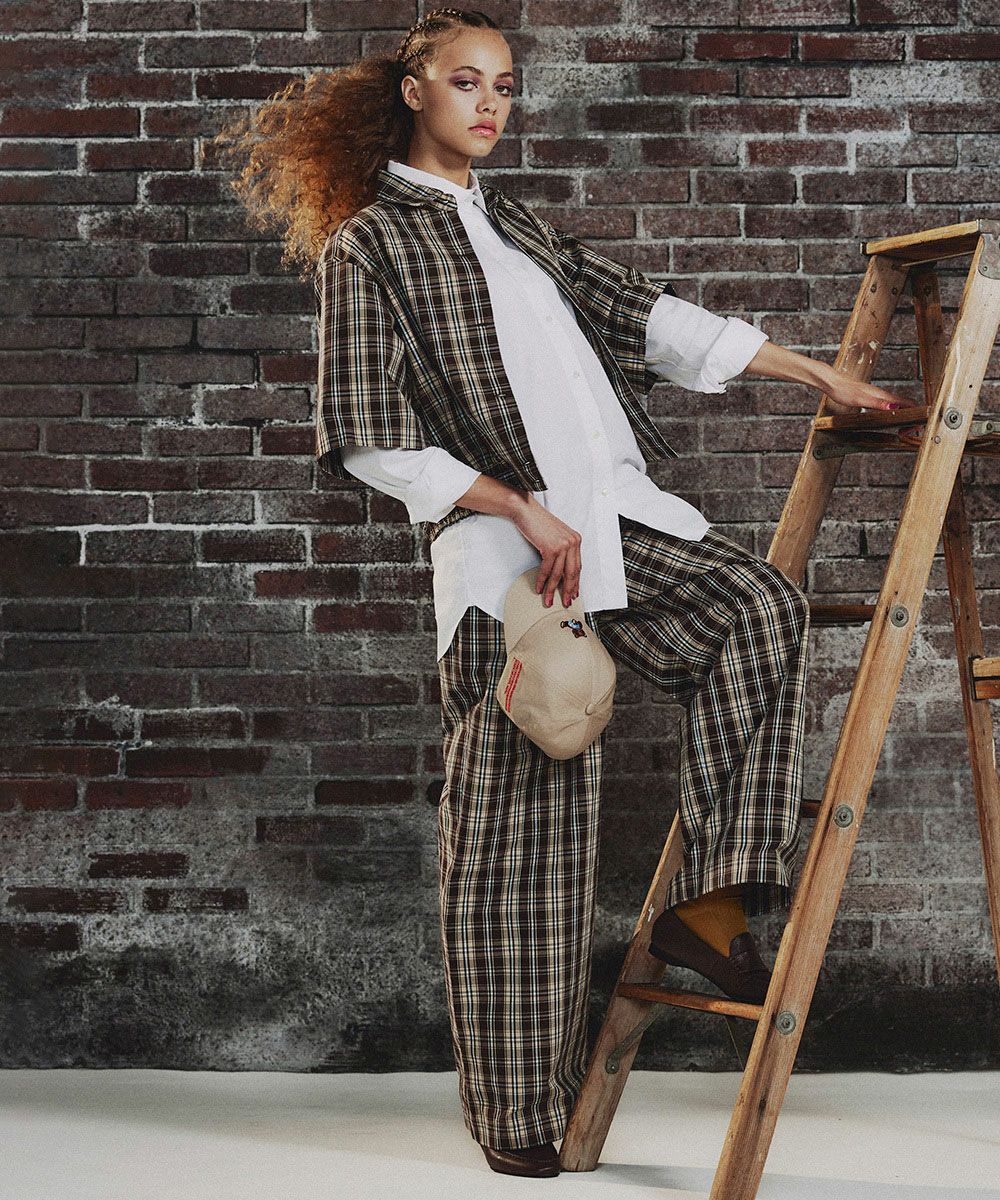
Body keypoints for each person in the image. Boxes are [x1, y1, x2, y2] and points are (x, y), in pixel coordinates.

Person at [215, 7, 909, 1180]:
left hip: (614, 530)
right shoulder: (371, 247)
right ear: (414, 91)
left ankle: (710, 908)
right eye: (466, 82)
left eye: (505, 85)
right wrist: (518, 508)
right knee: (521, 843)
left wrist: (810, 370)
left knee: (754, 608)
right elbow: (366, 438)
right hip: (508, 573)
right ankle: (516, 1117)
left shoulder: (516, 227)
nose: (490, 104)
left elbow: (644, 314)